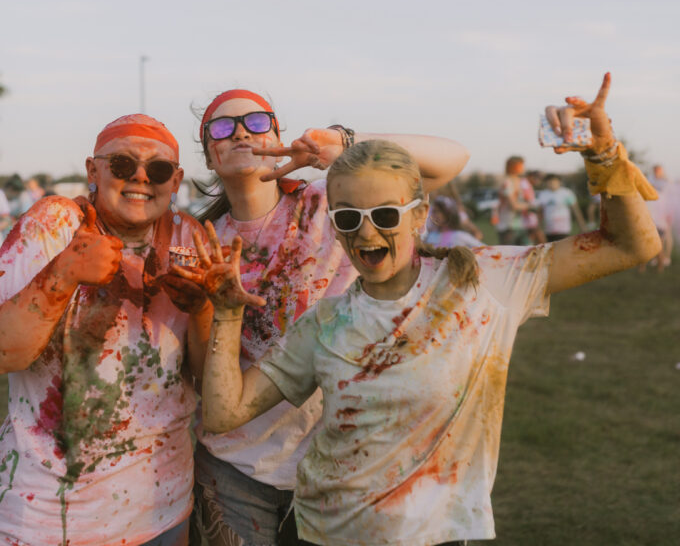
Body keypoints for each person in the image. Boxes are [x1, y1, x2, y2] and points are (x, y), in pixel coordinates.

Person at [184, 74, 660, 546]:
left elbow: (626, 245)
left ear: (419, 212)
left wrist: (603, 151)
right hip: (299, 507)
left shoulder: (478, 280)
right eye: (348, 220)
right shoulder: (320, 321)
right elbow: (224, 410)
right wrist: (223, 313)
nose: (366, 234)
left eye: (385, 215)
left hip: (414, 517)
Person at [190, 89, 469, 545]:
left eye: (257, 122)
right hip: (237, 470)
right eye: (221, 127)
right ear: (209, 155)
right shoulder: (203, 243)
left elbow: (451, 160)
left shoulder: (331, 205)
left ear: (279, 135)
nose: (240, 131)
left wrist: (345, 144)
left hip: (344, 462)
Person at [0, 114, 210, 546]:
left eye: (158, 170)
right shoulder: (55, 224)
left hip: (163, 506)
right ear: (93, 171)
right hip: (52, 513)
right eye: (123, 164)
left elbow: (200, 372)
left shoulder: (189, 239)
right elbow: (1, 354)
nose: (141, 178)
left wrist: (203, 310)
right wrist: (63, 274)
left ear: (176, 180)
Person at [494, 156, 535, 245]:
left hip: (520, 224)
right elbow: (513, 206)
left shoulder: (519, 181)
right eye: (521, 165)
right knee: (509, 255)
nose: (523, 167)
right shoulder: (507, 182)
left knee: (527, 253)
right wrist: (530, 206)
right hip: (508, 226)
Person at [537, 174, 586, 242]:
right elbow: (540, 212)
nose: (552, 184)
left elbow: (576, 210)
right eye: (549, 182)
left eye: (554, 182)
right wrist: (539, 229)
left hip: (563, 229)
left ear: (559, 182)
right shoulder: (543, 194)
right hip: (548, 230)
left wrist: (582, 226)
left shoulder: (566, 193)